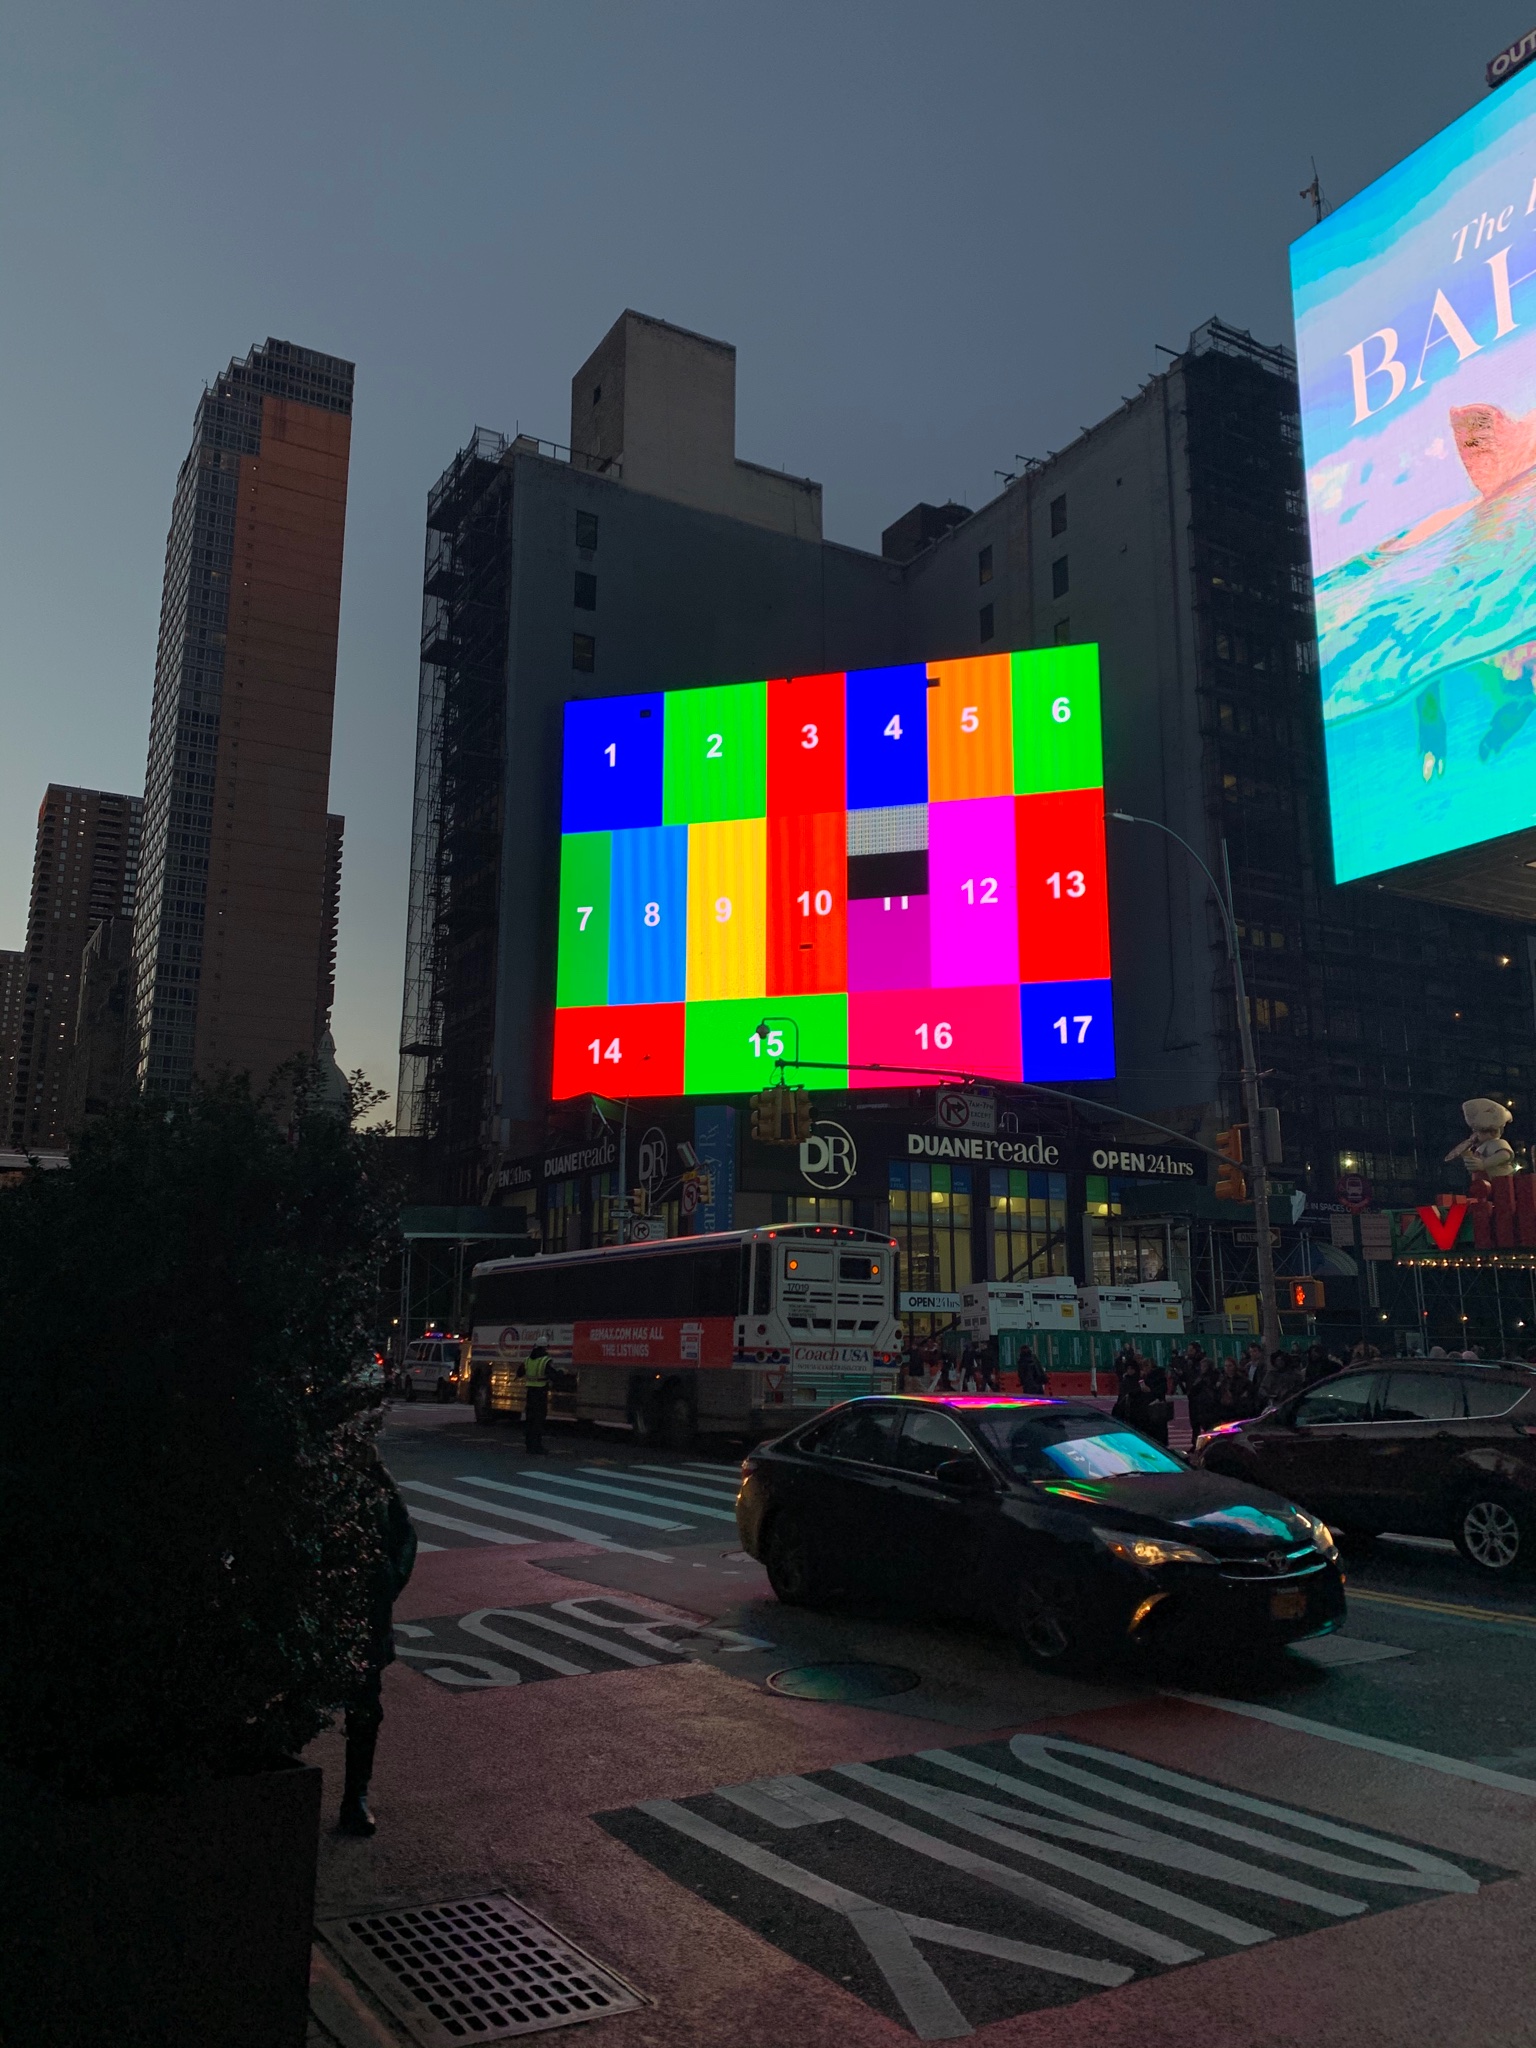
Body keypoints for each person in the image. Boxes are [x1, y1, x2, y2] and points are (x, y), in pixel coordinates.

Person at [339, 1442, 418, 1837]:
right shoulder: (318, 1471)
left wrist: (390, 1580)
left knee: (366, 1707)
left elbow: (405, 1533)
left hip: (369, 1607)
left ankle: (356, 1795)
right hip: (329, 1601)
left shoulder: (377, 1478)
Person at [521, 1338, 552, 1454]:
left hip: (530, 1394)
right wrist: (562, 1374)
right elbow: (552, 1374)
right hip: (540, 1394)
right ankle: (537, 1447)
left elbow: (520, 1372)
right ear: (545, 1347)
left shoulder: (528, 1360)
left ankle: (529, 1446)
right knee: (538, 1422)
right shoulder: (545, 1360)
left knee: (529, 1420)